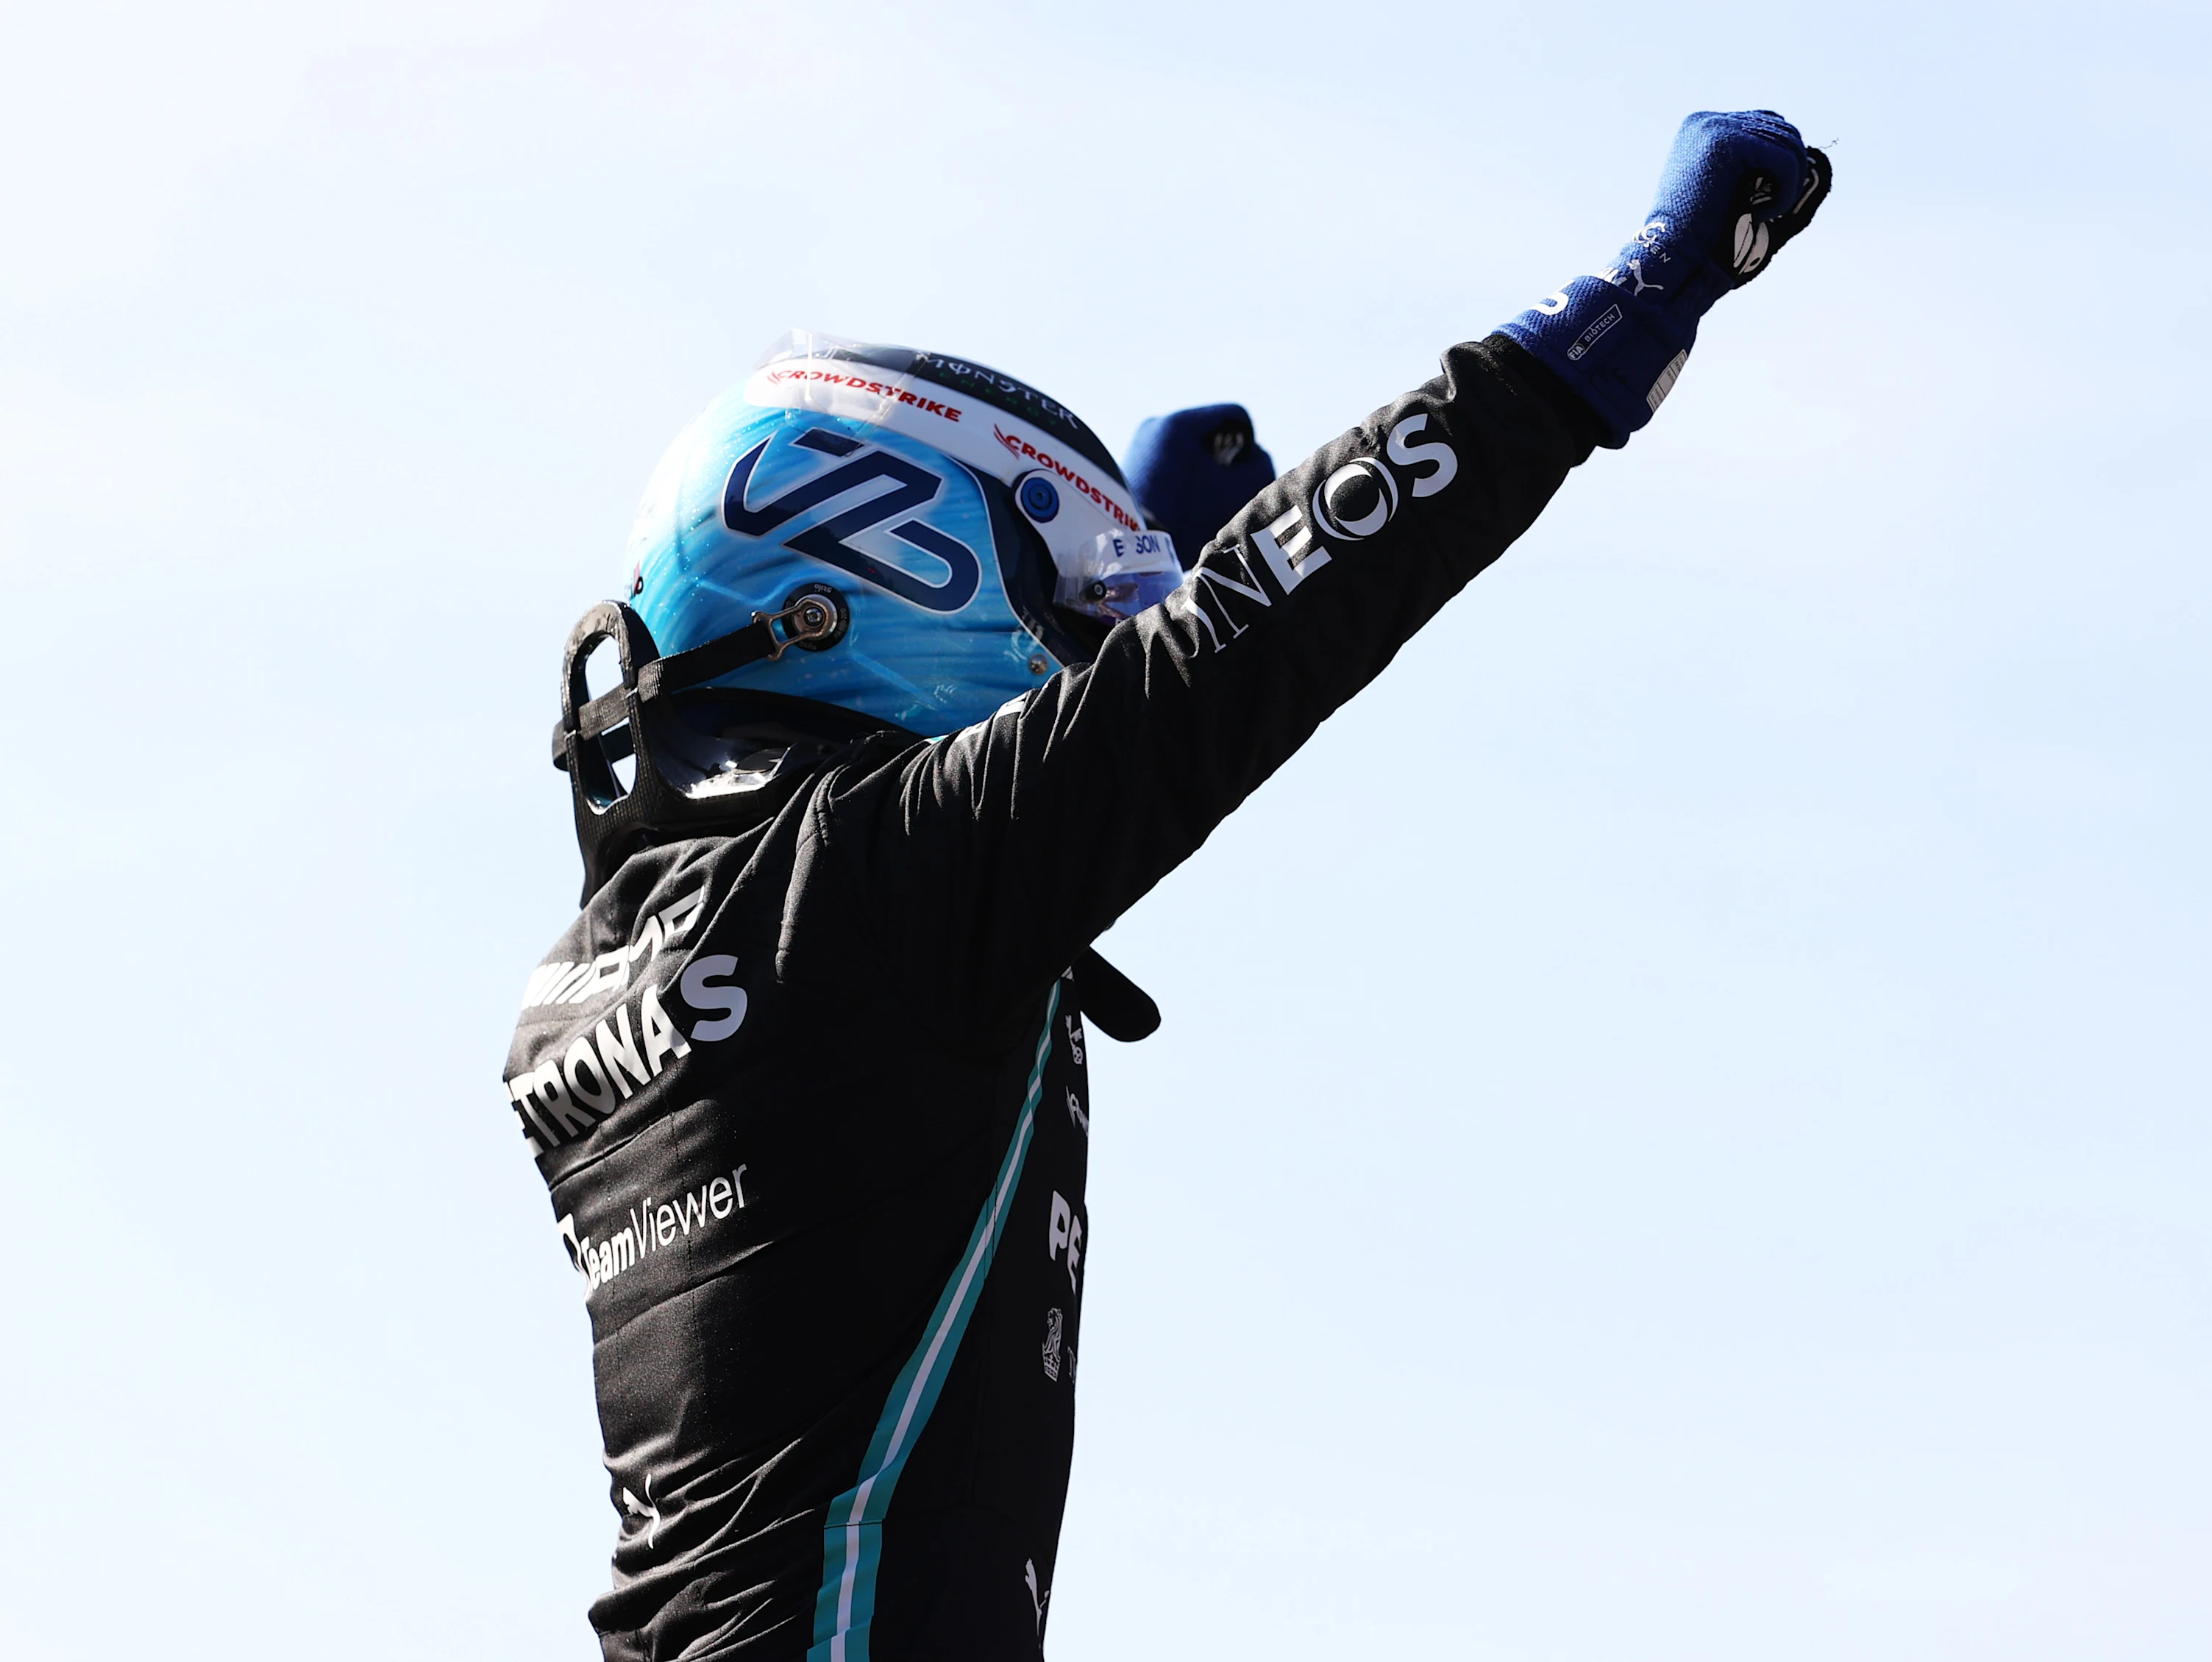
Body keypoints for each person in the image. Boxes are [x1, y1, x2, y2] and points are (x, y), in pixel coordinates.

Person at [501, 110, 1829, 1661]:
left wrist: (1128, 582)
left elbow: (1039, 811)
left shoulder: (640, 954)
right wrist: (1624, 316)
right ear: (875, 554)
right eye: (1045, 593)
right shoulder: (887, 897)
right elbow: (1239, 655)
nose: (1068, 643)